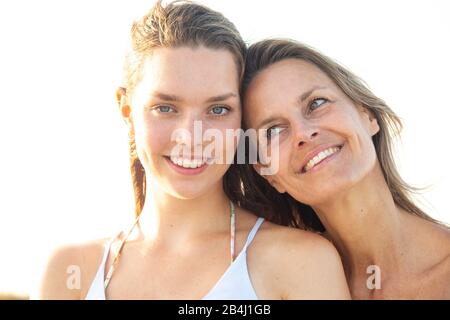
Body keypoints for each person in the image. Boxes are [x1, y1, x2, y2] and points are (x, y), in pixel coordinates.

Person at [37, 2, 350, 300]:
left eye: (217, 110)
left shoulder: (300, 263)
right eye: (165, 107)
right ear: (126, 108)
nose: (190, 137)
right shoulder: (70, 270)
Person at [241, 38, 450, 299]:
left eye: (316, 103)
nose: (303, 133)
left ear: (367, 115)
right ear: (270, 175)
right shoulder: (275, 289)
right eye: (273, 130)